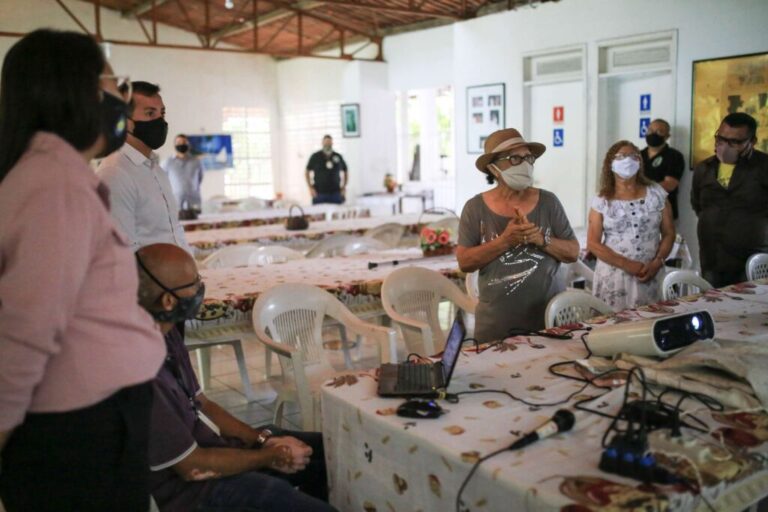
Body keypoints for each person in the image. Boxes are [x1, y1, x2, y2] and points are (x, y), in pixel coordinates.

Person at [0, 30, 165, 511]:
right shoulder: (53, 184)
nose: (122, 98)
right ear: (75, 91)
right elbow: (27, 328)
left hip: (91, 419)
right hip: (79, 432)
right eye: (115, 84)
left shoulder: (55, 174)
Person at [136, 243, 337, 512]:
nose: (200, 289)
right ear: (168, 300)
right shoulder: (140, 373)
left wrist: (264, 440)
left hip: (212, 450)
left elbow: (204, 404)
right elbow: (193, 466)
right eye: (194, 283)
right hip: (194, 493)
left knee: (325, 451)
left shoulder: (166, 332)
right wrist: (269, 456)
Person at [457, 128, 579, 342]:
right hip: (497, 325)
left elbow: (573, 252)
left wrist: (541, 240)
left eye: (528, 158)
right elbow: (465, 262)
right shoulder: (474, 208)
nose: (525, 164)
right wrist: (505, 241)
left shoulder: (549, 202)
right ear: (493, 168)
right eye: (514, 158)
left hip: (549, 320)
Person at [98, 81, 191, 253]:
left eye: (162, 113)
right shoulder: (115, 173)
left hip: (176, 277)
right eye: (149, 113)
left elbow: (174, 230)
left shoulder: (156, 169)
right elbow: (122, 249)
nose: (159, 121)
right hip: (147, 279)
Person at [588, 141, 675, 311]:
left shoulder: (656, 193)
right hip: (614, 276)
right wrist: (626, 264)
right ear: (610, 164)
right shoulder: (602, 200)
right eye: (620, 156)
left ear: (640, 162)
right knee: (613, 329)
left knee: (650, 326)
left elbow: (669, 233)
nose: (627, 160)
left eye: (633, 156)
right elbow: (593, 243)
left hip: (651, 272)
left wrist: (658, 261)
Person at [691, 112, 768, 287]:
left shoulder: (764, 168)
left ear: (752, 141)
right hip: (712, 258)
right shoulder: (704, 168)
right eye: (721, 139)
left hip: (753, 262)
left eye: (735, 142)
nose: (725, 146)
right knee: (716, 310)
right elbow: (698, 205)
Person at [640, 119, 685, 220]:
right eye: (650, 130)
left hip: (662, 212)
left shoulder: (674, 156)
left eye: (658, 132)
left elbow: (670, 184)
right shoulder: (638, 155)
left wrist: (641, 189)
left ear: (667, 136)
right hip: (638, 210)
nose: (653, 134)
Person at [164, 133, 204, 212]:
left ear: (188, 144)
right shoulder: (167, 162)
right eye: (179, 142)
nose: (182, 144)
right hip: (175, 203)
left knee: (197, 224)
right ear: (174, 145)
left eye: (184, 142)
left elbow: (200, 178)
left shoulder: (196, 161)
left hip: (194, 201)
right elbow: (163, 180)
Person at [306, 134, 347, 204]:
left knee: (336, 214)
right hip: (319, 193)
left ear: (332, 143)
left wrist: (344, 187)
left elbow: (345, 171)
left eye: (329, 142)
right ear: (322, 143)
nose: (327, 144)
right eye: (326, 142)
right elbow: (307, 172)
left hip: (336, 193)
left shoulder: (338, 156)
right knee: (318, 213)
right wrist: (310, 188)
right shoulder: (315, 156)